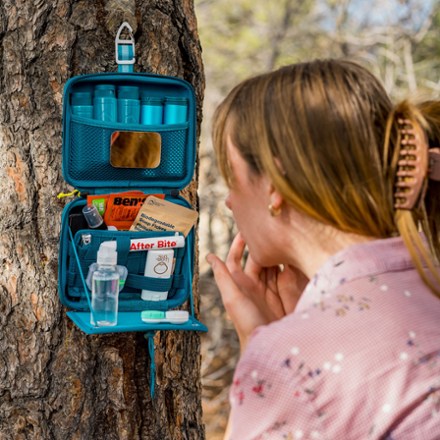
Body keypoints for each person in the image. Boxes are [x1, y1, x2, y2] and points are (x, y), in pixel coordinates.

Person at [205, 59, 440, 440]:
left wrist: (261, 350)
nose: (230, 201)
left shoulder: (290, 362)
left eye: (232, 176)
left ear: (275, 186)